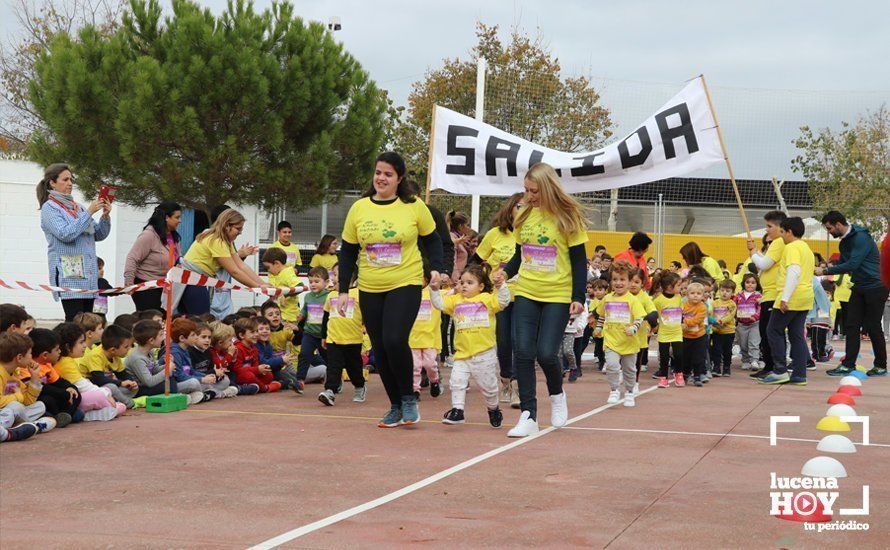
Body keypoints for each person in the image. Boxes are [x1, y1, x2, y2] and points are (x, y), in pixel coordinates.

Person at [337, 151, 444, 428]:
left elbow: (434, 241)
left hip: (405, 282)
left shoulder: (413, 206)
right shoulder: (359, 208)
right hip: (370, 286)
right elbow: (347, 251)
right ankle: (395, 405)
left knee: (395, 339)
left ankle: (409, 398)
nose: (381, 178)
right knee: (381, 347)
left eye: (387, 174)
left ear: (399, 179)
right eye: (378, 173)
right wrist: (343, 290)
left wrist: (435, 269)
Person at [499, 162, 588, 437]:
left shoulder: (568, 217)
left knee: (547, 353)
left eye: (534, 191)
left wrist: (578, 296)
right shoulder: (523, 216)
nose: (529, 196)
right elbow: (518, 255)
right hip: (526, 290)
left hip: (558, 294)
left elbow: (579, 262)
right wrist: (503, 272)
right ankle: (529, 415)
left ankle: (557, 394)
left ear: (547, 188)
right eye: (526, 190)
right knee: (523, 352)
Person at [430, 264, 510, 427]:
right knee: (457, 381)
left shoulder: (487, 299)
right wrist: (434, 288)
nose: (464, 285)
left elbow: (503, 301)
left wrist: (501, 286)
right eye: (462, 282)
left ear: (481, 286)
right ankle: (457, 411)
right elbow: (439, 303)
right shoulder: (455, 301)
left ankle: (493, 409)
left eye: (470, 282)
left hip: (484, 353)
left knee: (489, 387)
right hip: (462, 354)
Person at [36, 163, 112, 321]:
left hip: (90, 278)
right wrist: (89, 212)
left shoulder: (79, 207)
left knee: (89, 326)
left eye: (71, 179)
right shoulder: (49, 208)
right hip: (69, 275)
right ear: (52, 182)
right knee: (75, 325)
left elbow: (99, 234)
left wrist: (105, 216)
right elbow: (65, 234)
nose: (70, 183)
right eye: (65, 179)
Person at [817, 211, 888, 377]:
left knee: (873, 326)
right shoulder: (845, 242)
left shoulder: (861, 238)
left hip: (876, 286)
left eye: (829, 228)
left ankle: (880, 365)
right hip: (859, 286)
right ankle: (848, 364)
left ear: (838, 225)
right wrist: (823, 267)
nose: (829, 232)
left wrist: (825, 270)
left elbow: (852, 264)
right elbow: (843, 263)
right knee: (851, 325)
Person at [473, 193, 524, 406]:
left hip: (524, 295)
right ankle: (505, 381)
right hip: (499, 298)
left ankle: (518, 385)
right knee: (503, 342)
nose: (522, 209)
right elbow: (476, 261)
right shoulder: (495, 234)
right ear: (510, 208)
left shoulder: (530, 234)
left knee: (519, 341)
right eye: (519, 206)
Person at [176, 209, 269, 316]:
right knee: (201, 321)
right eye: (238, 228)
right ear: (226, 226)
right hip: (191, 282)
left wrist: (262, 284)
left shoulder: (224, 240)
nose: (240, 232)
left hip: (195, 280)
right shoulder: (217, 241)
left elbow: (241, 266)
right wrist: (257, 287)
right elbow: (234, 271)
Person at [759, 217, 815, 385]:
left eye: (782, 232)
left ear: (790, 232)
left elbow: (794, 271)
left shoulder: (791, 248)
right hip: (805, 296)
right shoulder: (806, 248)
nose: (781, 236)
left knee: (773, 330)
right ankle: (799, 374)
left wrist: (784, 297)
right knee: (796, 335)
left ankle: (780, 370)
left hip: (792, 296)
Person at [592, 261, 646, 406]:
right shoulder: (607, 298)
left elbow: (640, 317)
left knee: (629, 369)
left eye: (622, 279)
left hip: (629, 342)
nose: (618, 283)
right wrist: (598, 327)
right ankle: (614, 389)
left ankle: (629, 392)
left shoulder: (633, 300)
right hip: (611, 341)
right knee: (612, 366)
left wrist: (634, 328)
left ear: (629, 282)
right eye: (615, 279)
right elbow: (603, 315)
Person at [745, 211, 787, 380]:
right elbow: (765, 264)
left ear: (780, 227)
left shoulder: (778, 242)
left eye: (770, 226)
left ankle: (775, 366)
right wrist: (754, 253)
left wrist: (753, 251)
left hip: (773, 293)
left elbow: (763, 263)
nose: (766, 229)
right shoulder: (778, 243)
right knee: (768, 331)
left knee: (769, 331)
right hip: (770, 293)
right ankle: (771, 365)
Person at [124, 201, 183, 312]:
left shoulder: (174, 237)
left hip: (165, 287)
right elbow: (132, 258)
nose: (180, 221)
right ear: (166, 217)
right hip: (146, 287)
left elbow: (178, 258)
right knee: (150, 323)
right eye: (177, 217)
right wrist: (129, 283)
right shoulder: (149, 235)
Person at [318, 276, 367, 406]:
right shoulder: (331, 295)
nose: (334, 279)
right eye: (334, 275)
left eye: (338, 275)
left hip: (353, 339)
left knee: (354, 367)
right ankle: (330, 391)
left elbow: (366, 314)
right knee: (333, 366)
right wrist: (324, 336)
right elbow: (326, 317)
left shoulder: (358, 293)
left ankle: (359, 386)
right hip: (333, 338)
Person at [0, 333, 57, 436]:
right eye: (30, 353)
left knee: (40, 406)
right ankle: (34, 426)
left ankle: (22, 427)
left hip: (9, 414)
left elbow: (27, 402)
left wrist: (34, 377)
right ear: (19, 357)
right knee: (16, 406)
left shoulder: (13, 373)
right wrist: (18, 396)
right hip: (5, 414)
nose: (32, 357)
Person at [294, 267, 331, 393]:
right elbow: (305, 308)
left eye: (316, 281)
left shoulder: (329, 296)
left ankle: (334, 380)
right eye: (310, 282)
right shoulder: (308, 296)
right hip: (309, 332)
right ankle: (300, 381)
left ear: (326, 282)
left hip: (324, 334)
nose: (313, 284)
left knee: (328, 358)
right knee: (304, 354)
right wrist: (301, 314)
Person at [409, 272, 442, 400]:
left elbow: (452, 294)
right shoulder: (408, 293)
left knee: (430, 365)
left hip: (430, 338)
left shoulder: (434, 292)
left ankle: (434, 381)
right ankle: (415, 390)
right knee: (415, 366)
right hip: (413, 338)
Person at [653, 271, 683, 388]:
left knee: (679, 354)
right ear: (670, 287)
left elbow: (681, 311)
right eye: (678, 285)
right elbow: (652, 313)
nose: (681, 288)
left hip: (677, 332)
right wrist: (653, 326)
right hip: (664, 333)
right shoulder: (658, 300)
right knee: (664, 357)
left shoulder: (679, 297)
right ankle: (663, 377)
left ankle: (679, 374)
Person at [681, 282, 709, 386]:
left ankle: (697, 375)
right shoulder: (683, 305)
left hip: (699, 336)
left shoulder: (702, 307)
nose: (695, 295)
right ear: (687, 295)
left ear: (702, 296)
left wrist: (685, 322)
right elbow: (679, 316)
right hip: (685, 336)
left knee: (698, 357)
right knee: (685, 357)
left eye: (698, 293)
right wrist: (682, 322)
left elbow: (697, 320)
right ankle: (685, 374)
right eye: (692, 293)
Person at [734, 273, 762, 370]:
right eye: (748, 282)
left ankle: (754, 360)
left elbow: (760, 308)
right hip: (741, 324)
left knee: (754, 343)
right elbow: (733, 307)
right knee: (743, 343)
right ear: (743, 283)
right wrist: (735, 316)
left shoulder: (758, 296)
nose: (750, 284)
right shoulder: (738, 295)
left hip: (754, 324)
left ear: (757, 284)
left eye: (753, 283)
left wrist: (755, 316)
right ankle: (745, 360)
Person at [710, 280, 738, 376]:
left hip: (729, 332)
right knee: (716, 350)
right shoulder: (714, 303)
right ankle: (716, 367)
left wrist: (722, 321)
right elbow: (711, 314)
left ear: (732, 292)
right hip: (717, 331)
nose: (724, 293)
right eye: (722, 290)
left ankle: (726, 368)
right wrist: (714, 322)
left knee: (727, 351)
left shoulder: (732, 304)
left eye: (727, 291)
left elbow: (730, 316)